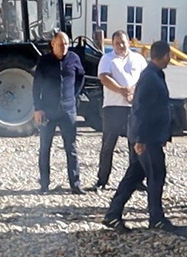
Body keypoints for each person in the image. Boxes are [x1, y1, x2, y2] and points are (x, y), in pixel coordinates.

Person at [102, 41, 176, 233]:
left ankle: (112, 214)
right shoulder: (150, 77)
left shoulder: (154, 74)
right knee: (156, 175)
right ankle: (156, 217)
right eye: (169, 56)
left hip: (148, 135)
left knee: (135, 175)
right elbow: (140, 109)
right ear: (166, 55)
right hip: (147, 137)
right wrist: (139, 139)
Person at [90, 30, 148, 191]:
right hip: (113, 107)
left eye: (123, 42)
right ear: (112, 44)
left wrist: (133, 91)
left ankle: (136, 179)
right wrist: (122, 90)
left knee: (135, 145)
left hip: (133, 108)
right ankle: (102, 180)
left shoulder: (139, 59)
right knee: (108, 145)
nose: (120, 45)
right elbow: (104, 77)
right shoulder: (107, 59)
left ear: (129, 42)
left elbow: (145, 78)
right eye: (116, 43)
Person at [33, 31, 85, 194]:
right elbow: (36, 86)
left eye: (67, 45)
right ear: (53, 44)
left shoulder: (74, 59)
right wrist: (38, 108)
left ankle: (75, 184)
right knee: (45, 147)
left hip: (68, 110)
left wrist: (73, 95)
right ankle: (44, 185)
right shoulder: (45, 61)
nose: (64, 48)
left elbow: (80, 77)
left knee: (71, 147)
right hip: (48, 111)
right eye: (61, 44)